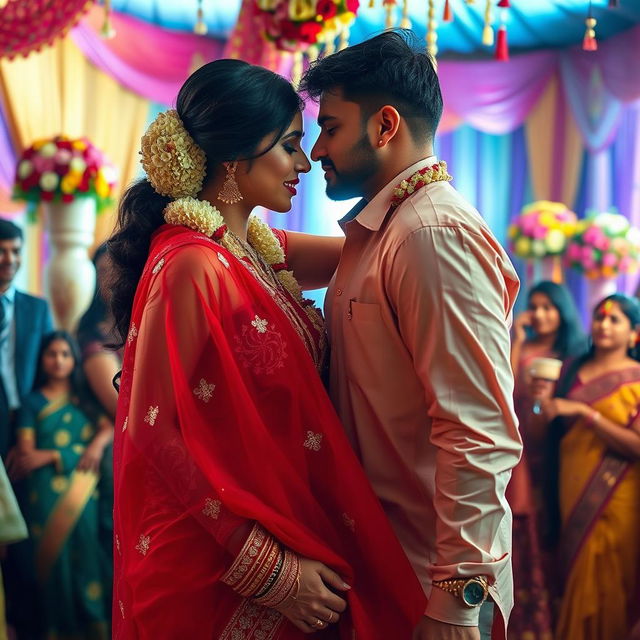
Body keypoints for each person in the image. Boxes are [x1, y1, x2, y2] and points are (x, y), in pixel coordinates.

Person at [107, 58, 426, 639]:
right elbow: (150, 426)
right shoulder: (192, 264)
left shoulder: (255, 249)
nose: (304, 163)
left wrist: (425, 193)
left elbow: (373, 247)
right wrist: (264, 566)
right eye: (289, 146)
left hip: (282, 524)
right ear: (233, 157)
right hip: (214, 558)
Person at [300, 30, 523, 640]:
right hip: (383, 562)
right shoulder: (388, 229)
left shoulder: (432, 235)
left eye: (331, 127)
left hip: (428, 578)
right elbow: (275, 251)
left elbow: (478, 431)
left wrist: (454, 602)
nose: (317, 150)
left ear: (385, 125)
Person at [535, 294, 640, 640]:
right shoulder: (569, 371)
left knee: (612, 573)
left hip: (620, 492)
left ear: (634, 333)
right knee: (576, 567)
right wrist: (540, 404)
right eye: (599, 317)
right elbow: (542, 429)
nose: (603, 325)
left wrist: (587, 414)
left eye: (614, 320)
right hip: (570, 484)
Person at [6, 331, 111, 639]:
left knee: (88, 556)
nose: (58, 360)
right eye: (51, 354)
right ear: (42, 359)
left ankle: (96, 629)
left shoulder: (84, 400)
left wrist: (91, 447)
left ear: (74, 360)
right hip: (44, 494)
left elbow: (108, 430)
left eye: (65, 354)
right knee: (55, 565)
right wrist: (67, 453)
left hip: (82, 491)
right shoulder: (32, 402)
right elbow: (26, 455)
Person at [507, 281, 586, 639]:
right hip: (517, 446)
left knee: (548, 529)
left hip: (553, 453)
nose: (539, 314)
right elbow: (503, 386)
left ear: (562, 312)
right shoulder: (523, 348)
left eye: (548, 307)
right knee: (521, 530)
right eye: (534, 306)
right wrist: (518, 340)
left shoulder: (574, 355)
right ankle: (521, 623)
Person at [0, 218, 54, 459]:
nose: (10, 259)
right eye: (1, 251)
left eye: (16, 251)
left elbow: (50, 366)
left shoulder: (37, 309)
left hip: (29, 421)